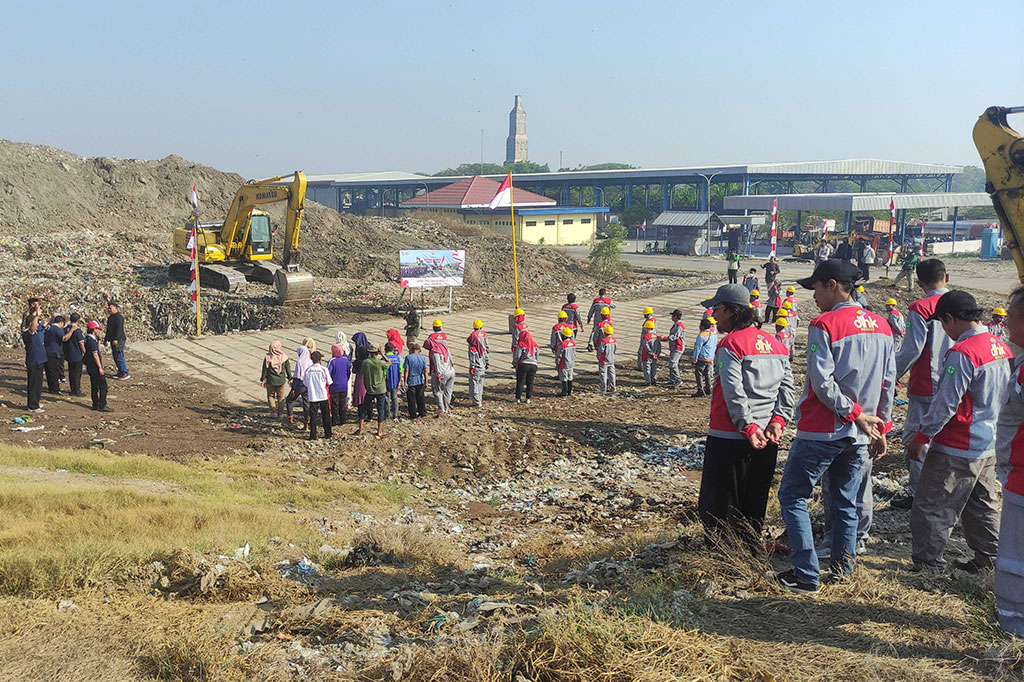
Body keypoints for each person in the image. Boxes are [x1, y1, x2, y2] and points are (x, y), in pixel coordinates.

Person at [776, 259, 894, 594]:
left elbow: (823, 384)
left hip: (824, 429)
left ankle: (805, 574)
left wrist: (854, 413)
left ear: (831, 285)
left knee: (793, 495)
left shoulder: (824, 324)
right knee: (844, 501)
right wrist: (879, 427)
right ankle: (843, 569)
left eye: (815, 287)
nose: (813, 295)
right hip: (859, 434)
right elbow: (888, 383)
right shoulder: (882, 326)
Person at [906, 291, 1010, 573]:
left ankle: (928, 565)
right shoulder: (1000, 346)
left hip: (958, 444)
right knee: (982, 504)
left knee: (933, 506)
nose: (943, 330)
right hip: (989, 442)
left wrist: (921, 437)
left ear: (950, 319)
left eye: (942, 323)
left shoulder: (963, 353)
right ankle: (990, 560)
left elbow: (945, 404)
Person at [698, 283, 795, 548]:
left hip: (730, 435)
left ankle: (723, 557)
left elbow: (733, 390)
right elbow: (787, 387)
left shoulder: (730, 344)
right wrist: (778, 420)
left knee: (720, 502)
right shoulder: (775, 344)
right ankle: (749, 549)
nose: (713, 316)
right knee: (754, 500)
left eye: (716, 310)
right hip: (767, 437)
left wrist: (747, 426)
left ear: (730, 310)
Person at [892, 259, 952, 509]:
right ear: (946, 277)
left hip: (927, 384)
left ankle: (921, 495)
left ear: (918, 283)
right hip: (956, 382)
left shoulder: (921, 307)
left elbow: (911, 350)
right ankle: (945, 493)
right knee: (945, 438)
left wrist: (890, 375)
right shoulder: (960, 302)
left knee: (914, 438)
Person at [994, 286, 1024, 636]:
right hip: (1014, 472)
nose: (1007, 327)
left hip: (1021, 477)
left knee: (1015, 561)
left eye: (1012, 318)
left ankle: (1015, 634)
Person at [356, 346, 389, 437]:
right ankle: (379, 430)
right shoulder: (381, 363)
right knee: (380, 410)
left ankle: (361, 428)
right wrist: (382, 354)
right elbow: (389, 363)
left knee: (364, 408)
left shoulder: (365, 362)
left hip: (370, 389)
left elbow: (362, 372)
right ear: (377, 353)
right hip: (380, 389)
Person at [423, 329, 455, 416]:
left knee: (437, 391)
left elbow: (437, 365)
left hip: (442, 373)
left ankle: (442, 409)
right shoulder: (445, 348)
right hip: (451, 372)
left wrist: (438, 376)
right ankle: (447, 407)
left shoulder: (435, 351)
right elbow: (452, 361)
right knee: (448, 391)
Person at [84, 320, 113, 412]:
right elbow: (95, 354)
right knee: (103, 386)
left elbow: (96, 349)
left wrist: (99, 340)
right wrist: (100, 367)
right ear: (93, 330)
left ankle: (95, 404)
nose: (98, 331)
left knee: (94, 386)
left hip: (90, 366)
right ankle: (102, 405)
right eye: (97, 329)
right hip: (95, 367)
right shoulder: (91, 341)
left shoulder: (89, 339)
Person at [260, 341, 293, 422]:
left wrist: (263, 379)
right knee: (281, 398)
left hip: (270, 381)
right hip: (281, 381)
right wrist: (290, 378)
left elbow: (265, 370)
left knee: (271, 396)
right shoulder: (284, 358)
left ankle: (273, 411)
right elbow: (288, 369)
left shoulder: (268, 357)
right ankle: (280, 414)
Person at [304, 351, 333, 440]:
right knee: (326, 415)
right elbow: (329, 382)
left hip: (313, 396)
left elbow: (305, 383)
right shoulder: (324, 369)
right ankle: (328, 433)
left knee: (313, 416)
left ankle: (313, 435)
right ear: (320, 360)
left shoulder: (308, 370)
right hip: (323, 395)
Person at [22, 314, 46, 412]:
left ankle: (36, 401)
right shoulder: (27, 333)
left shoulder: (35, 332)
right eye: (36, 323)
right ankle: (32, 405)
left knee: (38, 384)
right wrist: (36, 314)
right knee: (33, 384)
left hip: (39, 361)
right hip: (33, 362)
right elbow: (32, 327)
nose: (37, 325)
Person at [104, 300, 129, 380]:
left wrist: (116, 339)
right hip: (112, 339)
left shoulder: (119, 317)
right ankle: (120, 371)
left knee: (119, 356)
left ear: (116, 308)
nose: (109, 310)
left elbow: (119, 329)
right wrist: (106, 339)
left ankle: (124, 372)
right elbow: (108, 330)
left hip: (119, 339)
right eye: (108, 308)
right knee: (115, 356)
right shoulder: (110, 318)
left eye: (110, 308)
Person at [692, 317, 717, 397]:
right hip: (710, 357)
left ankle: (700, 390)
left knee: (698, 373)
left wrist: (694, 359)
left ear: (702, 326)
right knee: (707, 373)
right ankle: (708, 388)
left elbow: (697, 348)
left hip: (702, 357)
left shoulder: (701, 336)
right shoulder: (714, 334)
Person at [63, 313, 86, 397]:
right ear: (78, 321)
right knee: (77, 373)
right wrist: (85, 352)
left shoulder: (66, 328)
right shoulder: (77, 330)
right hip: (76, 355)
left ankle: (73, 389)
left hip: (68, 354)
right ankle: (76, 390)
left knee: (71, 373)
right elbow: (81, 343)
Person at [466, 319, 488, 408]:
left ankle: (476, 402)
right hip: (483, 365)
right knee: (480, 384)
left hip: (476, 367)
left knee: (474, 385)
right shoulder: (484, 335)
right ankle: (479, 400)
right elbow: (487, 349)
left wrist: (472, 367)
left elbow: (472, 358)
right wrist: (487, 362)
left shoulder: (473, 342)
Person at [514, 327, 539, 403]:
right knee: (530, 382)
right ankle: (528, 398)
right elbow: (537, 355)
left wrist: (515, 363)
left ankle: (518, 398)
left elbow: (518, 355)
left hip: (524, 364)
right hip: (533, 365)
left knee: (520, 382)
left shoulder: (521, 344)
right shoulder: (535, 345)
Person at [328, 344, 351, 426]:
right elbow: (348, 372)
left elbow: (328, 373)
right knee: (343, 403)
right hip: (344, 385)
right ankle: (343, 420)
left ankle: (335, 421)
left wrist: (329, 383)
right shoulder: (346, 360)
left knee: (334, 404)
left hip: (334, 386)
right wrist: (345, 380)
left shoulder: (332, 361)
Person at [403, 343, 428, 419]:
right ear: (419, 350)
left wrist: (405, 381)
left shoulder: (408, 357)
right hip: (419, 380)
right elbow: (425, 370)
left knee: (411, 399)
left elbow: (406, 370)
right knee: (420, 397)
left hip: (411, 380)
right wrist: (426, 381)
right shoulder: (422, 357)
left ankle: (413, 414)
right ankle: (422, 412)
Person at [43, 315, 65, 394]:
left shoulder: (48, 328)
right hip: (55, 353)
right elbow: (64, 338)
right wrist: (71, 330)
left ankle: (51, 388)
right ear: (61, 323)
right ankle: (55, 389)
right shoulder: (58, 330)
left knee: (49, 372)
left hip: (47, 352)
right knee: (55, 372)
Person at [664, 309, 686, 389]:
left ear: (676, 316)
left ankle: (678, 380)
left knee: (673, 363)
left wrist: (665, 338)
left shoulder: (679, 326)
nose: (671, 317)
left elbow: (675, 336)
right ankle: (672, 379)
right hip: (674, 347)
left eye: (672, 315)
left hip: (678, 347)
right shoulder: (676, 325)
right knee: (671, 363)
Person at [383, 342, 403, 419]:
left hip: (387, 382)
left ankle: (387, 415)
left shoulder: (384, 359)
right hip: (395, 381)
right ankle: (395, 414)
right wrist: (399, 382)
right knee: (394, 398)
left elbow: (384, 373)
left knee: (387, 399)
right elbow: (400, 371)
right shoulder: (397, 358)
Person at [555, 326, 577, 396]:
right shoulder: (573, 343)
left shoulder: (562, 344)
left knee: (564, 378)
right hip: (571, 363)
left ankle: (564, 391)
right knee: (570, 377)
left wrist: (557, 363)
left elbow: (559, 355)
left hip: (563, 363)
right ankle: (569, 391)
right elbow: (574, 354)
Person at [640, 319, 661, 386]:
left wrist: (650, 353)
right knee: (653, 367)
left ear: (647, 329)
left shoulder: (646, 337)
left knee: (647, 368)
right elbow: (659, 346)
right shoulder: (656, 336)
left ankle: (648, 382)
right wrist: (657, 353)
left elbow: (646, 347)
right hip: (655, 355)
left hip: (646, 355)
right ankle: (654, 380)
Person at [597, 324, 616, 395]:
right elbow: (614, 350)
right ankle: (613, 387)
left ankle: (603, 389)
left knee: (603, 374)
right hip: (611, 359)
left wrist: (599, 358)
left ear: (605, 332)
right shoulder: (614, 340)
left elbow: (601, 350)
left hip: (604, 360)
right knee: (612, 374)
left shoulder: (604, 341)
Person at [637, 306, 656, 370]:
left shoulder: (650, 321)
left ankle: (641, 366)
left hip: (647, 339)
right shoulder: (650, 320)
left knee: (641, 352)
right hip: (648, 339)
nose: (644, 315)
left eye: (645, 314)